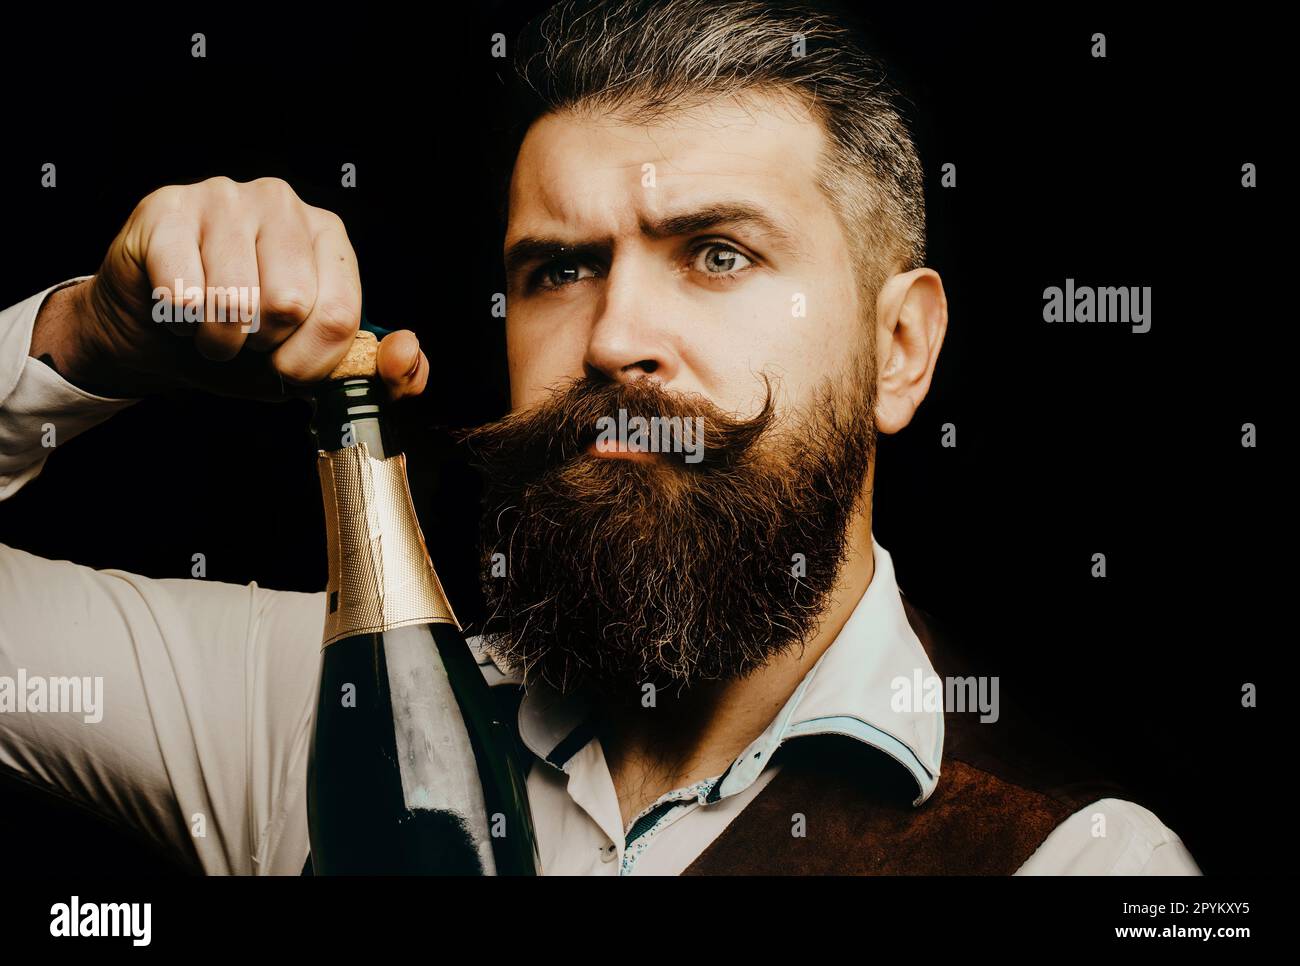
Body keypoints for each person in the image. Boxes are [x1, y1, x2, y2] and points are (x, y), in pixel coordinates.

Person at [0, 0, 1200, 875]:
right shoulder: (320, 713)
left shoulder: (1076, 863)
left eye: (717, 254)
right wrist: (88, 340)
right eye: (560, 269)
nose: (615, 334)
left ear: (900, 349)